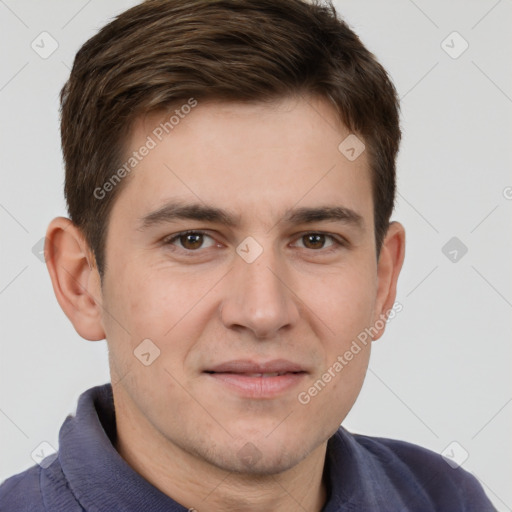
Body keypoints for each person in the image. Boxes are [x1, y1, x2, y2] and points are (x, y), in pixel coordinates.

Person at [0, 0, 496, 510]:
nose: (263, 312)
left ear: (382, 280)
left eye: (315, 240)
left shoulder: (446, 499)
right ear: (81, 281)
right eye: (192, 239)